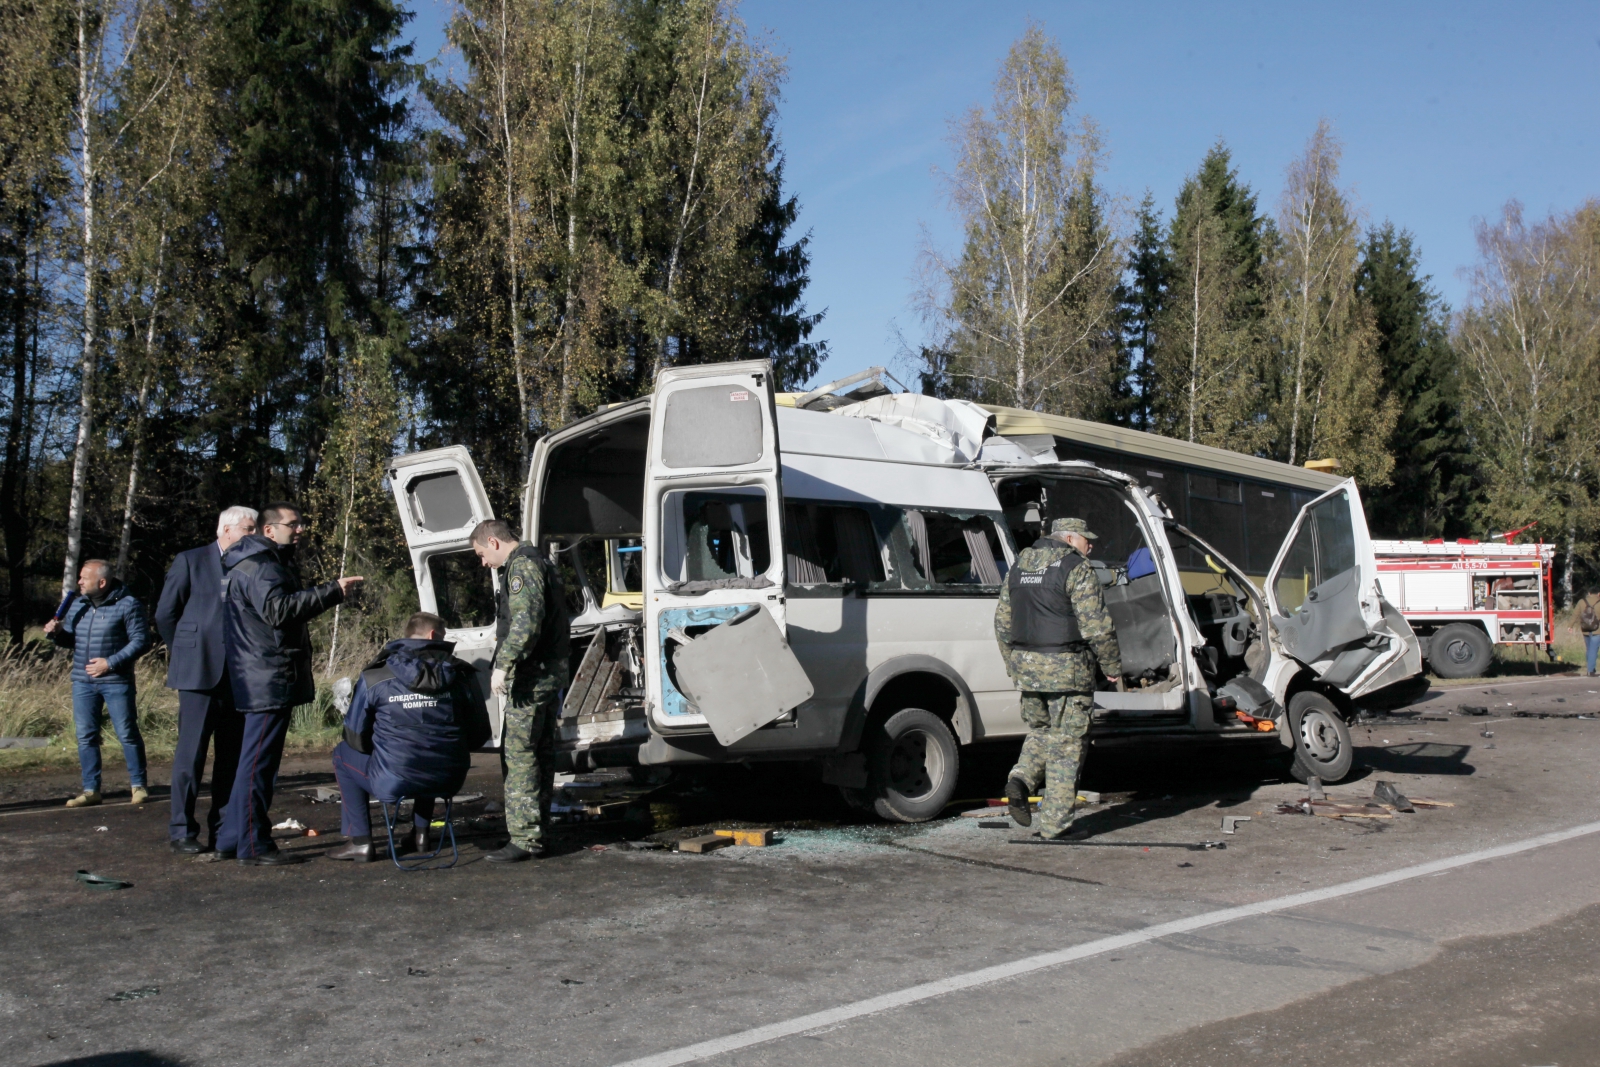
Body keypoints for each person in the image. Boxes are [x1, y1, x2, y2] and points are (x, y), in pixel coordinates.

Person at [217, 502, 362, 865]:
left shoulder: (248, 563)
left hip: (257, 674)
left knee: (252, 762)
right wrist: (332, 591)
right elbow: (278, 611)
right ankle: (253, 845)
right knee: (258, 766)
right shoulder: (262, 566)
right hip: (268, 676)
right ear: (269, 530)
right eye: (292, 524)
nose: (300, 530)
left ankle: (231, 838)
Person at [994, 517, 1122, 840]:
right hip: (1068, 672)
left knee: (1041, 732)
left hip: (1028, 671)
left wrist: (1014, 665)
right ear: (1068, 538)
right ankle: (1055, 827)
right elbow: (1097, 625)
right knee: (1067, 745)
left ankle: (1021, 779)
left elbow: (1002, 624)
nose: (1089, 546)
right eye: (1085, 539)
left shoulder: (1018, 567)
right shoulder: (1076, 568)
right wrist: (1111, 665)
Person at [326, 612, 492, 862]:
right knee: (429, 749)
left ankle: (360, 841)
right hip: (450, 778)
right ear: (433, 635)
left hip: (393, 779)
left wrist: (382, 749)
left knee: (342, 753)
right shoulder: (462, 675)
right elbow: (480, 734)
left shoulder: (375, 675)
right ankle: (421, 834)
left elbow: (355, 735)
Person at [155, 506, 256, 854]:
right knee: (191, 756)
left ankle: (222, 832)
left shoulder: (253, 564)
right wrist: (186, 650)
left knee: (231, 758)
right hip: (198, 674)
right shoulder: (191, 560)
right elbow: (166, 613)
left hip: (239, 676)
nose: (254, 534)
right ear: (227, 529)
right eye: (248, 528)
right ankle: (182, 830)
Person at [469, 518, 570, 863]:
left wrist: (503, 664)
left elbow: (526, 622)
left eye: (481, 554)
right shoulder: (541, 561)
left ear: (493, 542)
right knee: (541, 753)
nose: (484, 562)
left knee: (520, 755)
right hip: (548, 673)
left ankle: (525, 838)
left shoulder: (522, 566)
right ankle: (537, 833)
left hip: (531, 677)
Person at [44, 560, 153, 808]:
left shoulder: (128, 605)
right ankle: (91, 790)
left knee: (126, 733)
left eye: (84, 577)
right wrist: (57, 633)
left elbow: (141, 641)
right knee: (85, 736)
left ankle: (138, 786)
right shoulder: (78, 604)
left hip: (116, 681)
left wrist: (110, 663)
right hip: (83, 681)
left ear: (101, 582)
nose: (79, 582)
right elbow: (72, 641)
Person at [1579, 590, 1600, 677]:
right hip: (1597, 630)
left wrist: (1570, 626)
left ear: (1589, 593)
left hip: (1585, 629)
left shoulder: (1581, 601)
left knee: (1589, 649)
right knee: (1593, 650)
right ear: (1598, 594)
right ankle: (1590, 670)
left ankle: (1591, 668)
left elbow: (1575, 614)